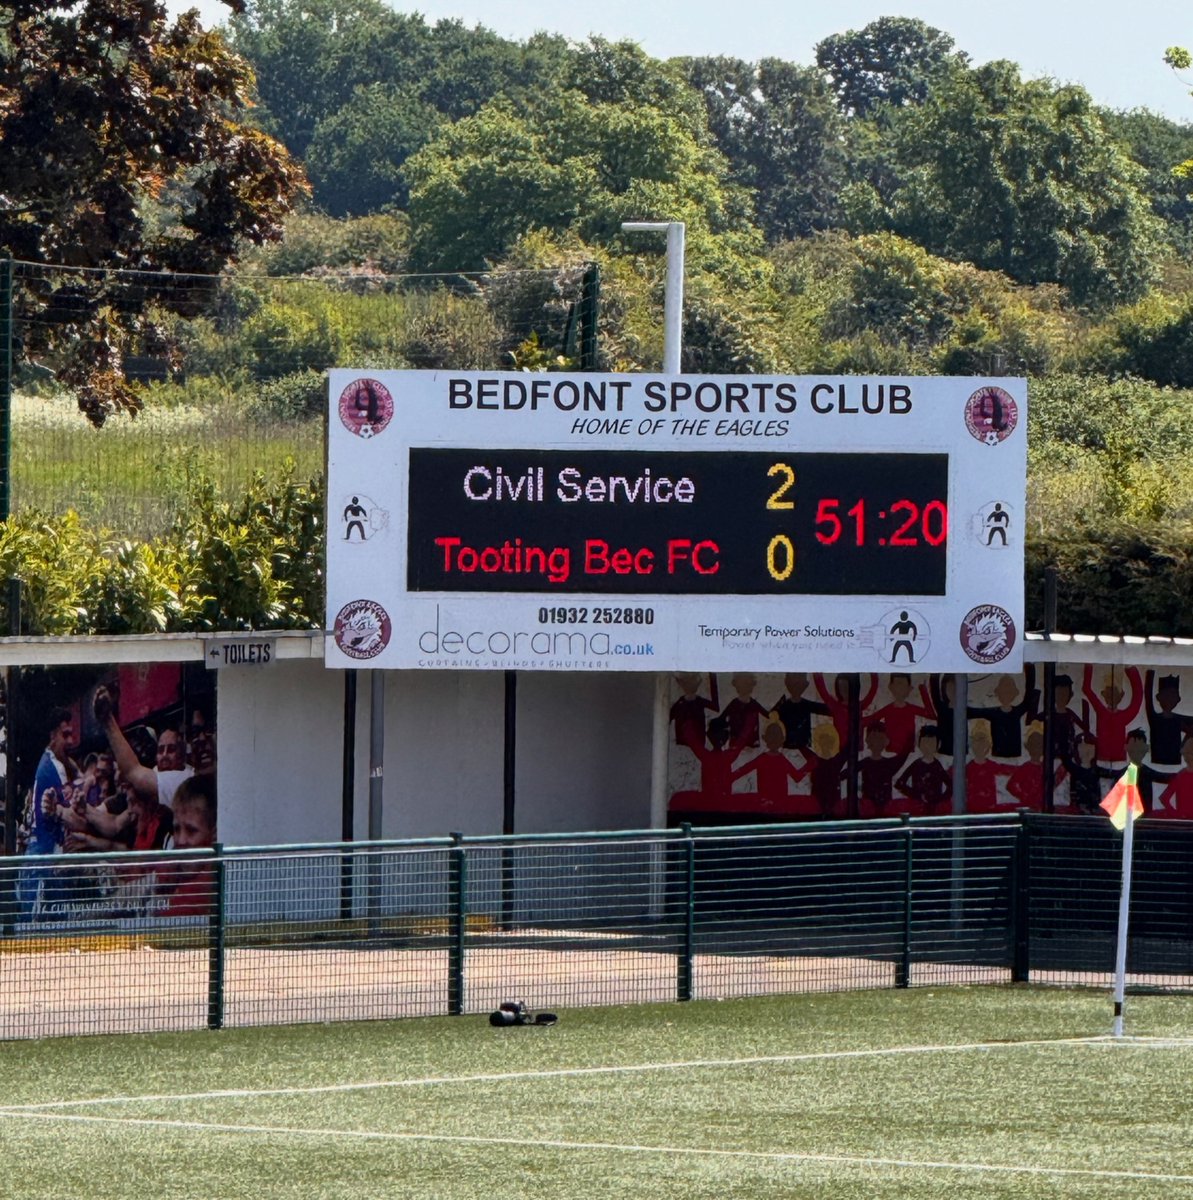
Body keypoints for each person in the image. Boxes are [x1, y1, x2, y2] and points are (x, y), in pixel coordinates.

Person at [160, 775, 218, 916]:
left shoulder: (203, 888)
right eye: (177, 829)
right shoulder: (173, 866)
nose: (180, 840)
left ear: (214, 834)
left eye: (191, 830)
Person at [1082, 665, 1142, 766]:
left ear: (1121, 695)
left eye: (1115, 692)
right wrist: (1089, 664)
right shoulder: (1102, 711)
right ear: (1104, 694)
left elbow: (1138, 697)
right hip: (1102, 761)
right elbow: (1086, 689)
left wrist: (1131, 671)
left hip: (1119, 763)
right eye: (1109, 692)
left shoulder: (1123, 716)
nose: (1112, 696)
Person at [895, 725, 952, 815]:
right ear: (919, 744)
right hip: (918, 809)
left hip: (935, 810)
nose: (928, 746)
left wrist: (939, 799)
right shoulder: (916, 765)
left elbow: (951, 786)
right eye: (925, 742)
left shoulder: (937, 766)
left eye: (931, 742)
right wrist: (916, 795)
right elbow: (899, 784)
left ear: (938, 744)